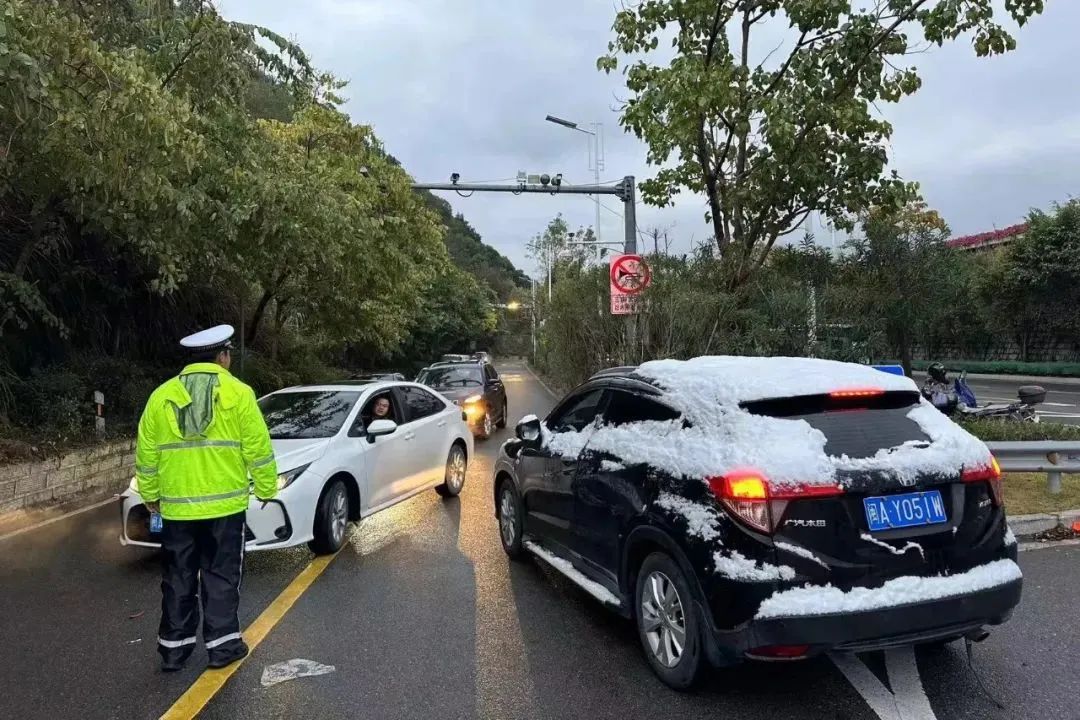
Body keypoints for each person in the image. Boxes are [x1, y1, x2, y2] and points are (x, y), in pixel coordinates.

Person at [135, 324, 278, 672]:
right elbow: (258, 448)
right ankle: (222, 646)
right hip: (225, 509)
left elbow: (146, 453)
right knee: (221, 576)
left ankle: (173, 650)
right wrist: (266, 487)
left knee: (178, 576)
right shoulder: (239, 393)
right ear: (223, 356)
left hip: (177, 510)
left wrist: (151, 496)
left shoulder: (160, 396)